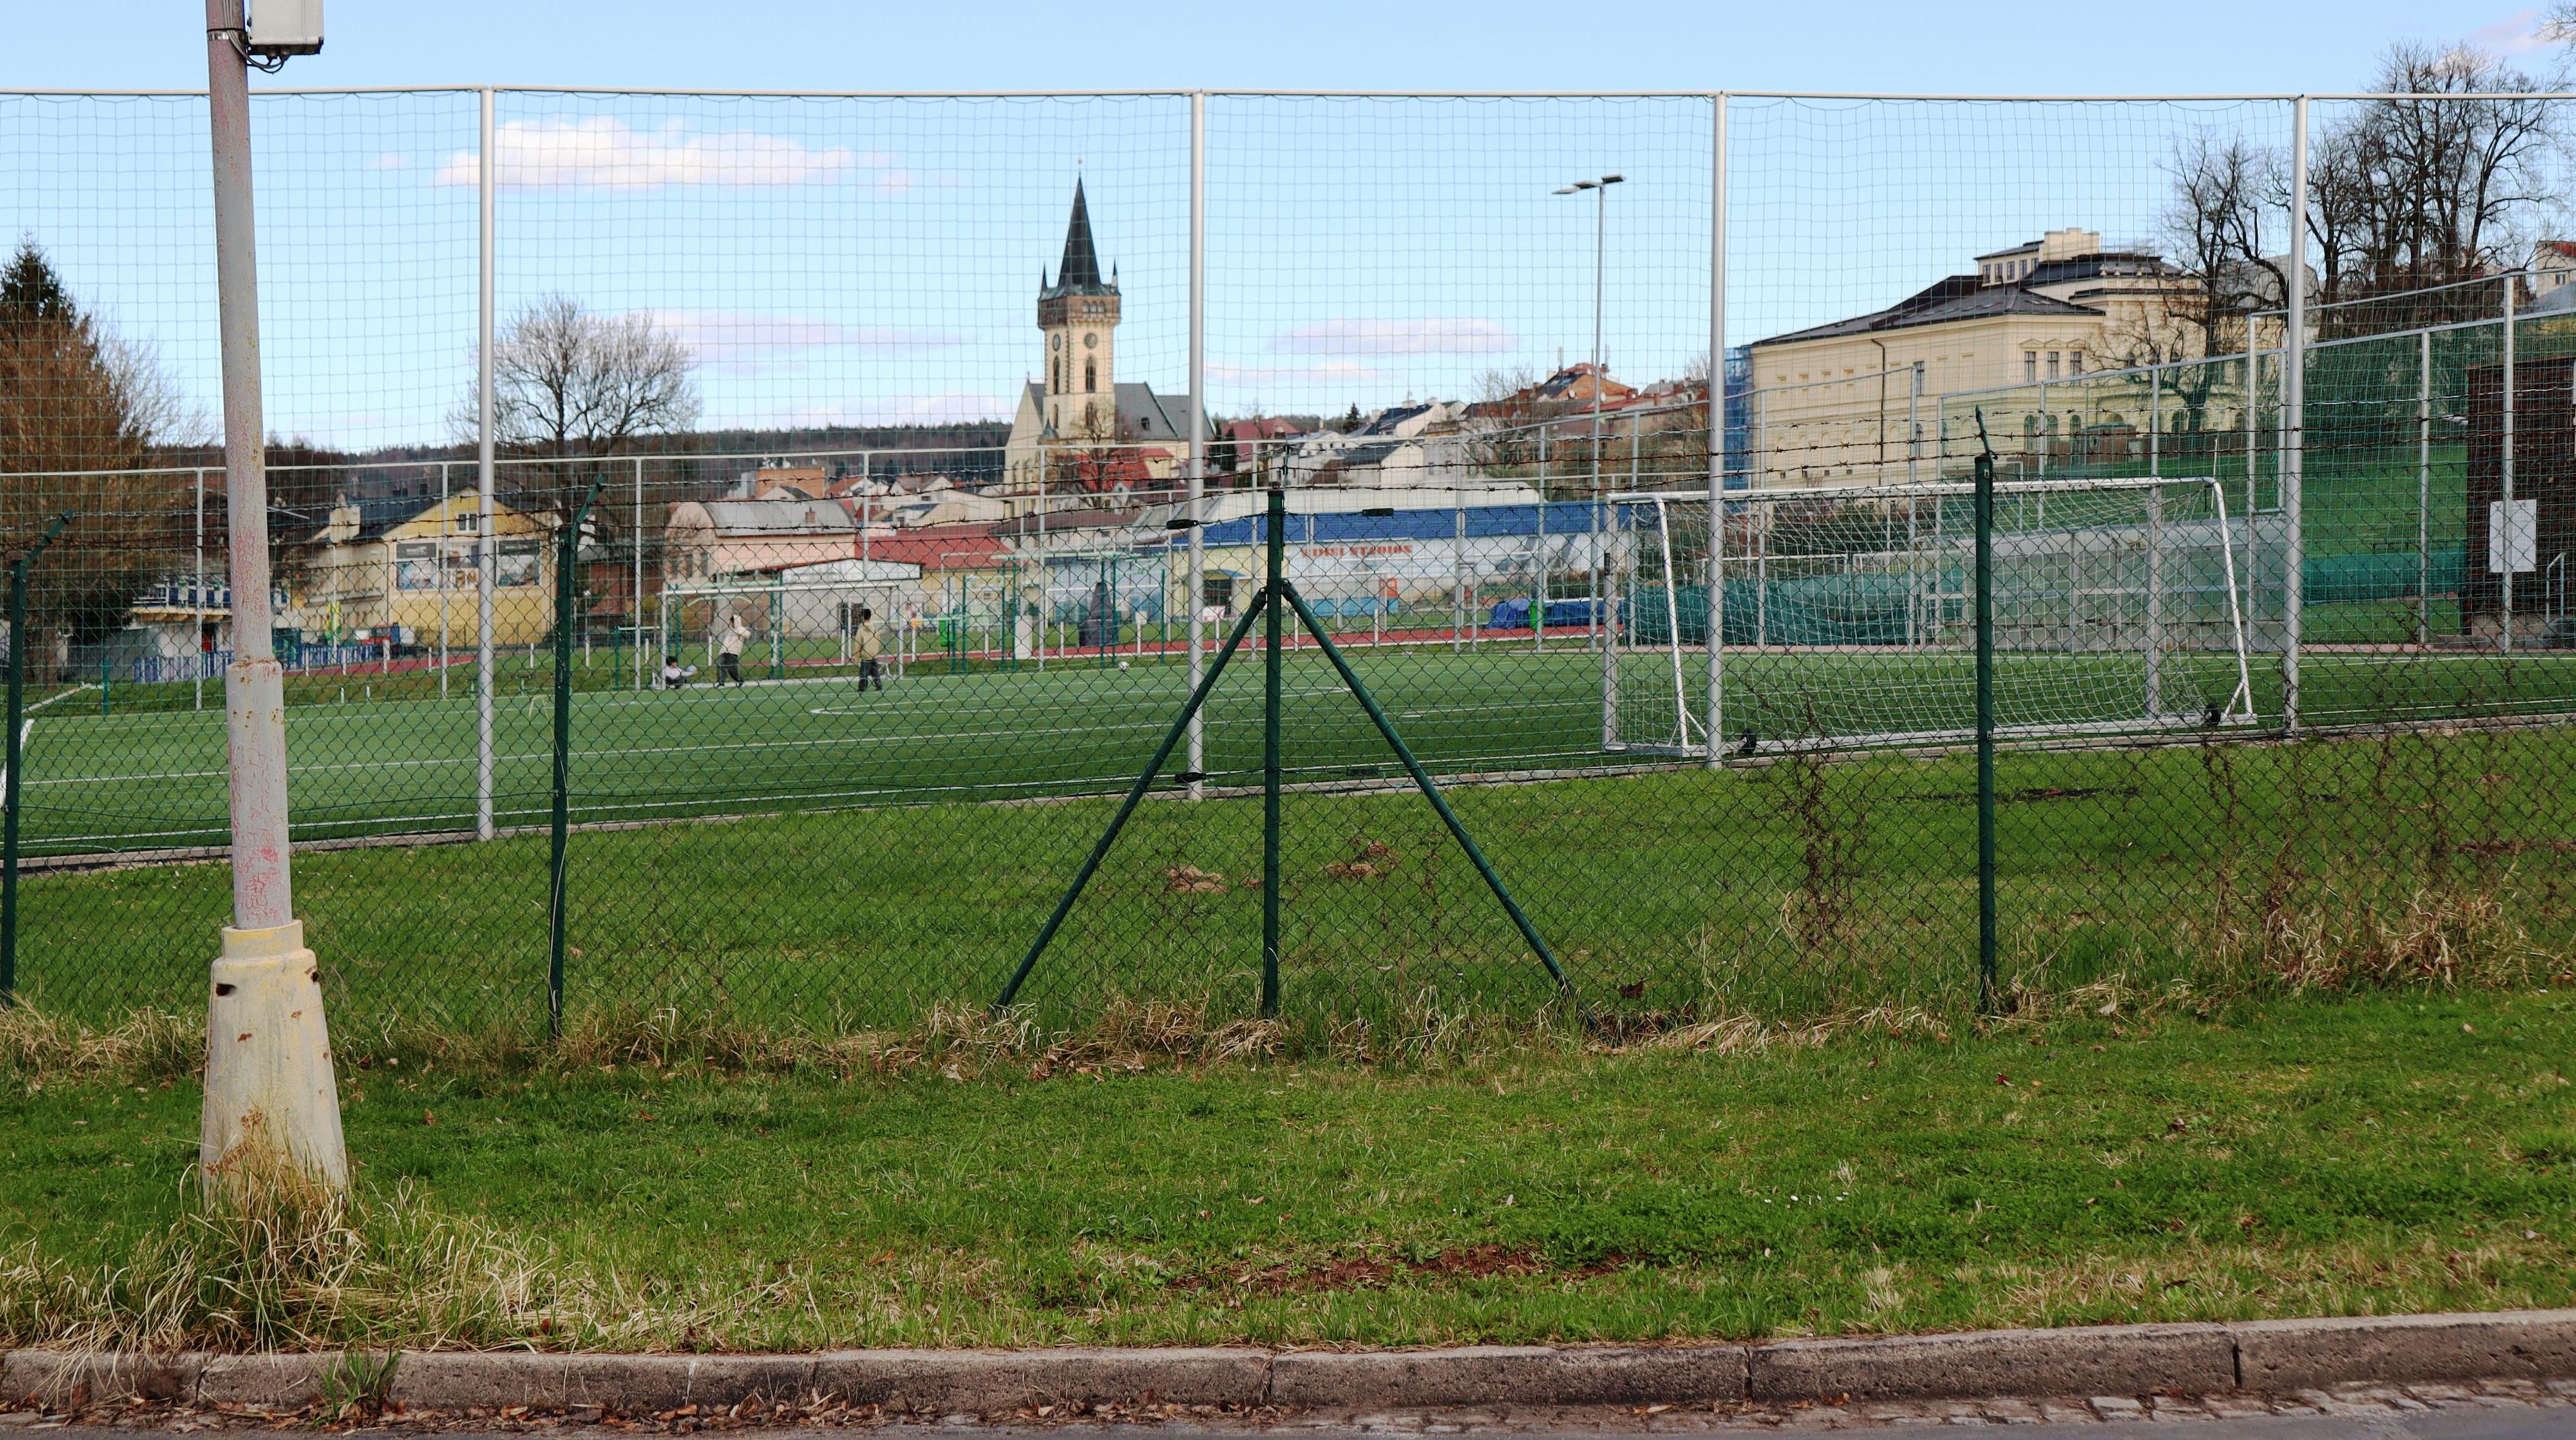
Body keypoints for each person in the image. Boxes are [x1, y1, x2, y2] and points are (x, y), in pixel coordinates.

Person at [853, 605, 885, 692]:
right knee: (875, 671)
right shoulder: (874, 627)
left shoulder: (861, 628)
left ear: (863, 617)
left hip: (866, 653)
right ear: (870, 616)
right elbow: (878, 638)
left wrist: (857, 655)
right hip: (874, 653)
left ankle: (862, 687)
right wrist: (877, 650)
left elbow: (858, 642)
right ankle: (879, 685)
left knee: (864, 672)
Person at [717, 612, 750, 687]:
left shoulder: (741, 630)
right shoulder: (730, 631)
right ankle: (721, 683)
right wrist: (721, 651)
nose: (731, 624)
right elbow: (726, 642)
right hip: (725, 651)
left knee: (731, 668)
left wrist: (737, 630)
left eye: (732, 622)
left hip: (733, 652)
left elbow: (747, 634)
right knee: (720, 665)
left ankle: (740, 680)